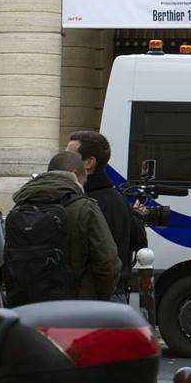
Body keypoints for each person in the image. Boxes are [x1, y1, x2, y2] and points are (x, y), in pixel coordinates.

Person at [4, 151, 120, 304]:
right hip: (75, 308)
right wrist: (100, 298)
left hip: (27, 306)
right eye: (83, 180)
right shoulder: (85, 207)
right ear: (74, 174)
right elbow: (108, 263)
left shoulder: (20, 206)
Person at [66, 129, 146, 303]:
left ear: (89, 162)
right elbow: (139, 241)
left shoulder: (78, 201)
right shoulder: (120, 199)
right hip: (117, 294)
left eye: (70, 157)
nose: (64, 162)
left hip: (89, 298)